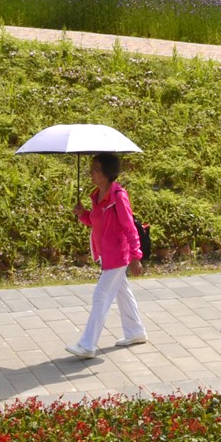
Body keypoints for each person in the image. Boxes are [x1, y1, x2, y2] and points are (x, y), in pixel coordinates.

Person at [67, 151, 147, 357]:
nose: (91, 173)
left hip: (118, 255)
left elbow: (130, 228)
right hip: (105, 253)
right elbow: (97, 222)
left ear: (107, 173)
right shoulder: (98, 195)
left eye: (96, 169)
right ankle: (136, 332)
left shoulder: (118, 197)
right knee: (123, 293)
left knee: (101, 295)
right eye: (91, 168)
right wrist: (83, 214)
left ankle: (87, 345)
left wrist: (136, 257)